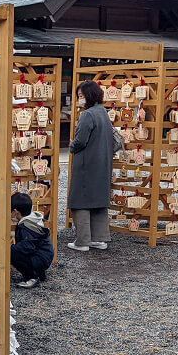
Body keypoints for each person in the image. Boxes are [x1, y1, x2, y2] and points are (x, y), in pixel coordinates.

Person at [67, 80, 114, 251]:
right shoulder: (103, 112)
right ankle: (99, 239)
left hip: (87, 164)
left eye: (81, 96)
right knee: (99, 201)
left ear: (89, 96)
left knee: (80, 201)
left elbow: (80, 141)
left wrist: (71, 145)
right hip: (103, 162)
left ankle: (82, 241)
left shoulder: (87, 115)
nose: (80, 99)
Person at [10, 192, 53, 288]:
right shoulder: (33, 220)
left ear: (15, 212)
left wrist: (12, 248)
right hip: (45, 255)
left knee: (12, 253)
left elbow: (28, 246)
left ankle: (32, 276)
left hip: (40, 258)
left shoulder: (25, 227)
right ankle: (39, 273)